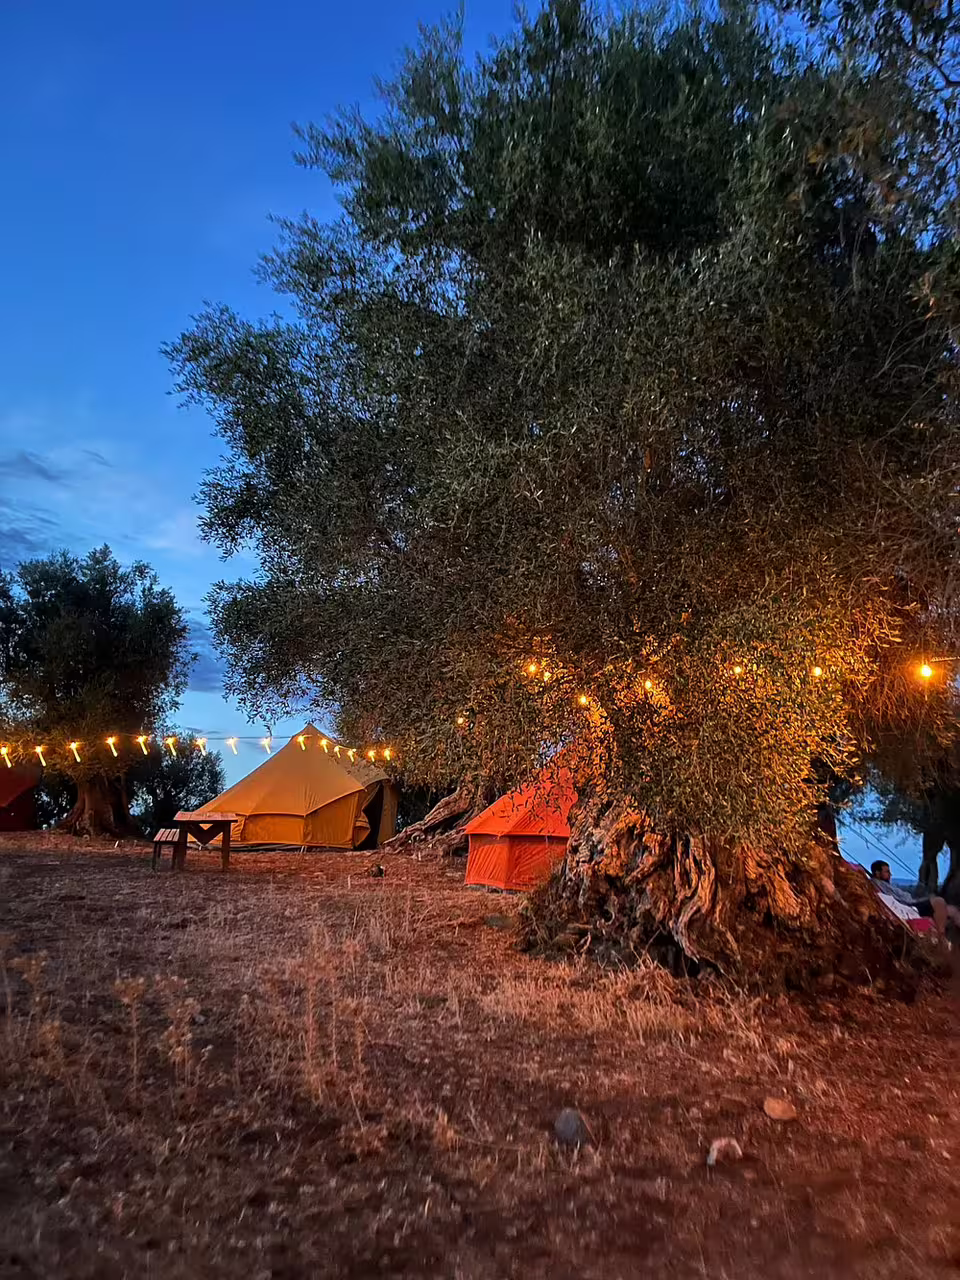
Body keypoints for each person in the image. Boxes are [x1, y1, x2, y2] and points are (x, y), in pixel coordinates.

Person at [869, 860, 960, 938]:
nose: (890, 874)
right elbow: (898, 901)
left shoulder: (884, 884)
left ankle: (946, 936)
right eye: (887, 872)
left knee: (952, 911)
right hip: (908, 906)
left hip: (912, 902)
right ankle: (941, 935)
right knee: (939, 901)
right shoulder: (877, 884)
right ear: (877, 873)